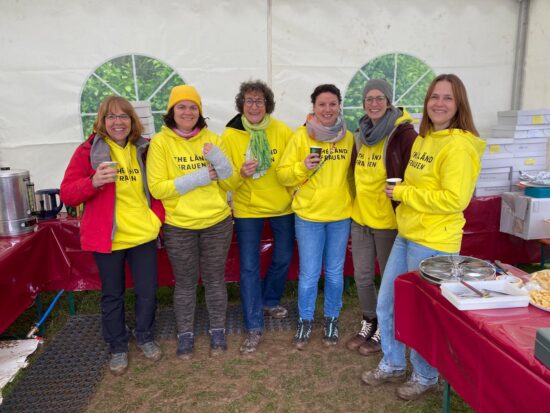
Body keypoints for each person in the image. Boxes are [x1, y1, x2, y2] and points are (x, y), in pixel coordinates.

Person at [361, 74, 485, 400]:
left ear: (459, 105)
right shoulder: (424, 139)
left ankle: (426, 375)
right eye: (434, 97)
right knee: (387, 304)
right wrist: (404, 194)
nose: (439, 104)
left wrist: (404, 192)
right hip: (407, 233)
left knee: (421, 312)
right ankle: (391, 363)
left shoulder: (459, 146)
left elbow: (455, 200)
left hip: (433, 242)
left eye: (447, 98)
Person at [60, 96, 165, 376]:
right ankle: (118, 346)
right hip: (108, 237)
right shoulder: (87, 151)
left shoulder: (143, 148)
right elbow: (67, 192)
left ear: (132, 121)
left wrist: (156, 219)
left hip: (142, 234)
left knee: (146, 292)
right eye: (111, 117)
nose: (118, 122)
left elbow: (156, 188)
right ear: (102, 122)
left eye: (123, 117)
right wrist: (92, 182)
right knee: (112, 295)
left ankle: (144, 336)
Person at [146, 85, 234, 359]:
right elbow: (158, 188)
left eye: (193, 107)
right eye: (181, 106)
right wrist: (199, 176)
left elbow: (229, 179)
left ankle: (217, 330)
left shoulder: (213, 139)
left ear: (200, 112)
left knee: (214, 279)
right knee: (184, 282)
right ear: (172, 111)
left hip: (216, 221)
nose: (187, 111)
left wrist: (219, 164)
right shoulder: (160, 143)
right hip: (179, 225)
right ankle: (185, 333)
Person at [277, 84, 354, 349]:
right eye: (322, 104)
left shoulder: (349, 137)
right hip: (309, 216)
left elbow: (354, 176)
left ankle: (332, 318)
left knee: (334, 273)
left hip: (340, 215)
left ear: (339, 106)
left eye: (333, 104)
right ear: (313, 107)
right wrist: (302, 167)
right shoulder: (302, 137)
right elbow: (283, 174)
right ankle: (305, 319)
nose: (327, 109)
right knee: (309, 274)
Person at [222, 80, 295, 354]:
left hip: (282, 206)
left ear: (268, 105)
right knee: (249, 267)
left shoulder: (282, 131)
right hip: (247, 208)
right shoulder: (230, 136)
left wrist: (295, 190)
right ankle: (253, 325)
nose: (254, 106)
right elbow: (225, 182)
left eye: (260, 101)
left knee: (284, 256)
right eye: (249, 101)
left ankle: (269, 299)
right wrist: (239, 174)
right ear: (242, 104)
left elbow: (290, 167)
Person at [347, 79, 417, 356]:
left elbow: (415, 177)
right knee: (362, 277)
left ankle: (385, 330)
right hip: (361, 219)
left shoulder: (402, 135)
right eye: (369, 99)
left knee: (388, 282)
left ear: (388, 101)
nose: (374, 104)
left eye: (379, 98)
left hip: (388, 222)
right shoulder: (361, 133)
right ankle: (369, 321)